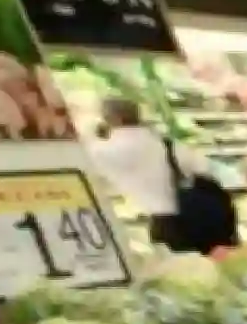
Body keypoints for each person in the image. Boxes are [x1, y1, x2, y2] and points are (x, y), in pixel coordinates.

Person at [92, 97, 229, 253]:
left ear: (111, 119)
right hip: (196, 217)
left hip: (162, 223)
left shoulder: (103, 151)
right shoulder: (167, 144)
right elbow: (205, 169)